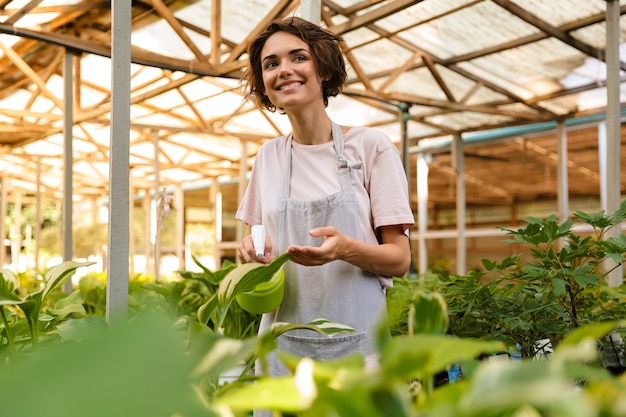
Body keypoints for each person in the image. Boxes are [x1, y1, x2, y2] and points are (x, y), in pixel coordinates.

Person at [235, 16, 414, 382]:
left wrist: (345, 249)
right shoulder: (268, 157)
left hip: (357, 349)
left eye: (298, 57)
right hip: (281, 352)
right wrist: (251, 250)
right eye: (271, 64)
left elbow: (399, 260)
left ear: (325, 71)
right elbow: (251, 244)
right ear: (265, 87)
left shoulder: (370, 147)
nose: (283, 70)